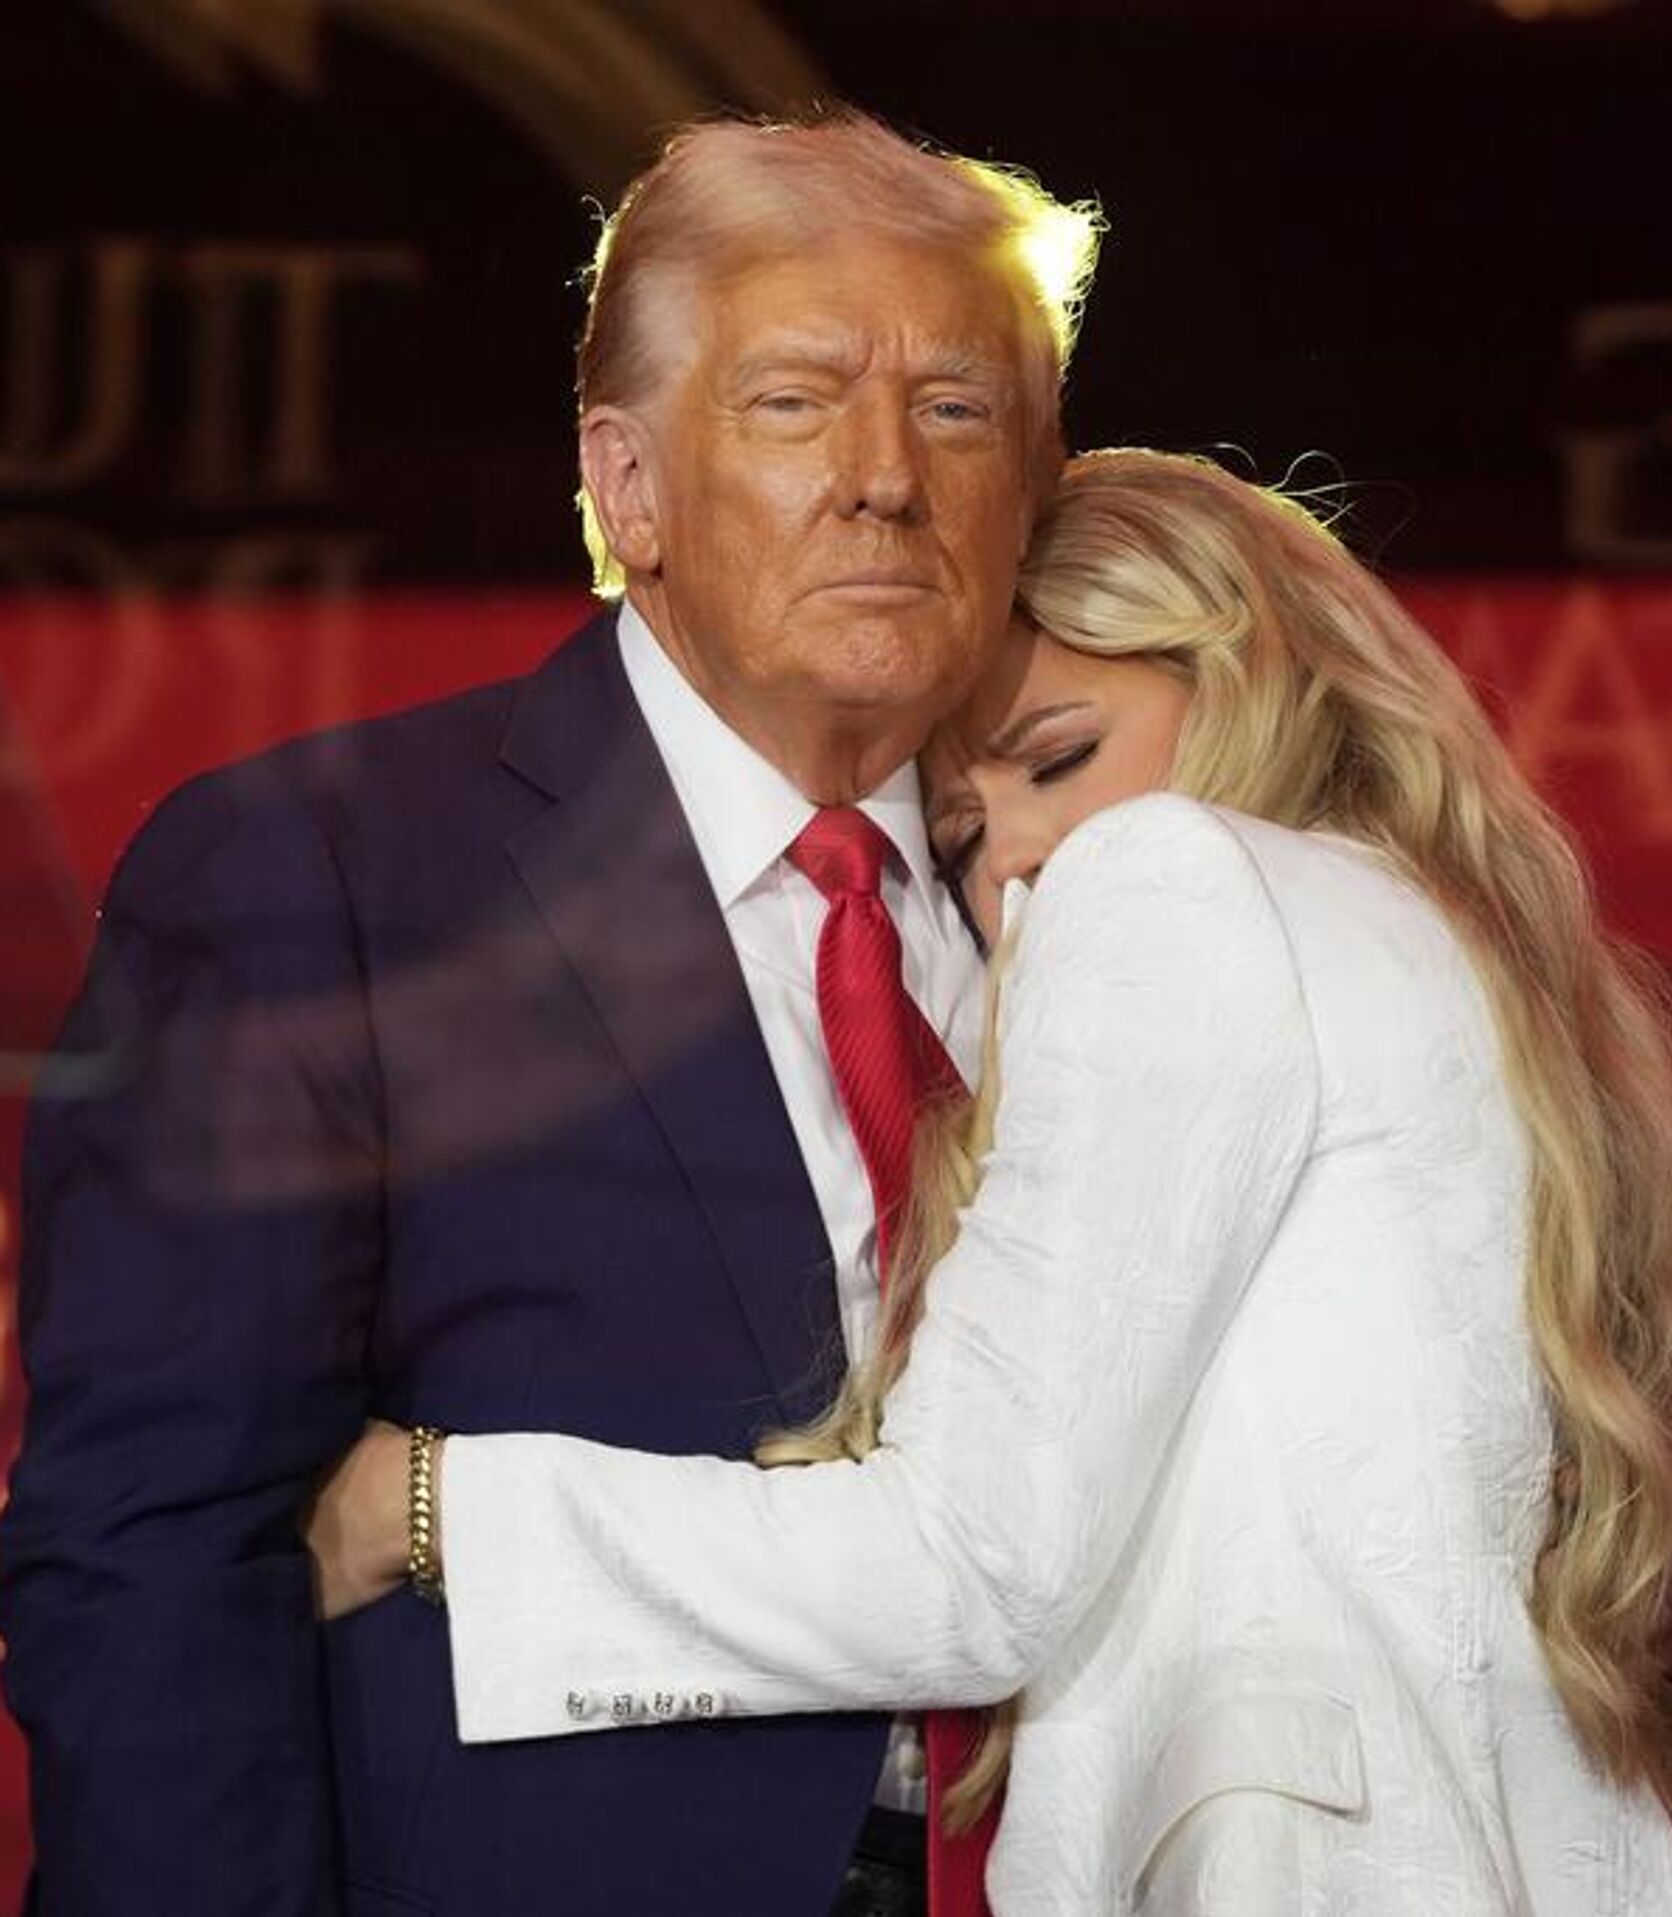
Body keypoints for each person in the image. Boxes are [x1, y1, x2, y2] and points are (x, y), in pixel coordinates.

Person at [309, 449, 1672, 1915]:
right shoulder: (1440, 942)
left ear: (1247, 671)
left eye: (1059, 756)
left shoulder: (1169, 877)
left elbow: (977, 1559)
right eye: (955, 834)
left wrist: (431, 1506)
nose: (1015, 856)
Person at [0, 111, 1102, 1917]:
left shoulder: (1118, 906)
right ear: (627, 485)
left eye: (958, 409)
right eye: (796, 401)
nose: (886, 478)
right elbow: (155, 1556)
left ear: (1038, 488)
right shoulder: (319, 876)